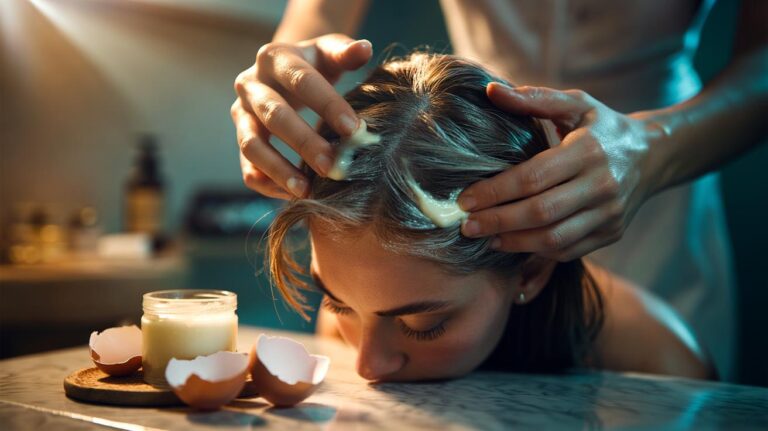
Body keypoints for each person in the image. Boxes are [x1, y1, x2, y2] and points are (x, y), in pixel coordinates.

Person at [231, 0, 767, 380]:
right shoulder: (379, 298)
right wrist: (286, 69)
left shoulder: (661, 356)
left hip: (654, 184)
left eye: (424, 325)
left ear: (533, 268)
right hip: (447, 147)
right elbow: (317, 19)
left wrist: (652, 147)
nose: (367, 367)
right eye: (338, 303)